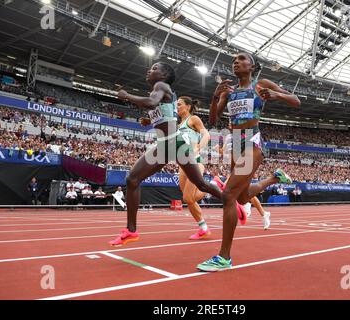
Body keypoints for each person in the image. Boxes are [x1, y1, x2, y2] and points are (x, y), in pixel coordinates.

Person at [198, 52, 300, 272]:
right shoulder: (229, 91)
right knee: (243, 196)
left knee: (228, 195)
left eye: (241, 59)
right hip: (234, 143)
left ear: (252, 66)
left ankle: (224, 257)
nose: (235, 62)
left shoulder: (260, 84)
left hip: (253, 143)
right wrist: (216, 96)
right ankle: (275, 177)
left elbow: (296, 100)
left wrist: (274, 95)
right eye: (233, 60)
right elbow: (214, 120)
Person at [109, 62, 223, 247]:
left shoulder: (160, 86)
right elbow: (165, 114)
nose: (149, 70)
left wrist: (126, 95)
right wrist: (150, 119)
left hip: (175, 144)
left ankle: (231, 201)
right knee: (132, 179)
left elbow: (152, 102)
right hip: (164, 145)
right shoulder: (161, 90)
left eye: (154, 68)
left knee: (200, 184)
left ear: (163, 75)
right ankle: (131, 231)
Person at [177, 96, 212, 240]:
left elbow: (206, 135)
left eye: (179, 104)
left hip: (195, 162)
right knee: (189, 200)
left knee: (187, 197)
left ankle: (212, 186)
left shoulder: (193, 119)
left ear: (188, 106)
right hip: (182, 164)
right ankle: (203, 228)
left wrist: (199, 146)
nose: (177, 107)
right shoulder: (179, 124)